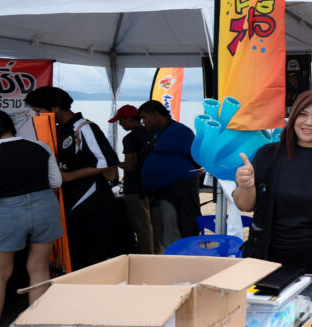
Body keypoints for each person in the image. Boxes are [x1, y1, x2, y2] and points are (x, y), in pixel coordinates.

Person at [234, 90, 312, 302]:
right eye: (303, 114)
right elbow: (245, 205)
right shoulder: (268, 154)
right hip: (268, 256)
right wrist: (245, 185)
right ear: (293, 117)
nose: (309, 122)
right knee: (268, 314)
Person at [0, 108, 63, 327]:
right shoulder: (40, 146)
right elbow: (56, 182)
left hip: (8, 211)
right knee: (38, 267)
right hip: (45, 206)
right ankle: (35, 324)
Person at [24, 86, 126, 270]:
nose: (38, 116)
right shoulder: (59, 130)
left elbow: (108, 161)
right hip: (70, 203)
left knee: (91, 257)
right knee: (75, 254)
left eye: (39, 111)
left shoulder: (84, 127)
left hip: (90, 202)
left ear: (55, 108)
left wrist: (69, 176)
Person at [138, 100, 200, 249]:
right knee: (165, 231)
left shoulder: (180, 131)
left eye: (144, 117)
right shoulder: (159, 132)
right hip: (162, 192)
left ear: (156, 114)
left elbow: (195, 158)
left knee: (175, 230)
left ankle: (179, 259)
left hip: (178, 190)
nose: (143, 122)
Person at [110, 105, 157, 254]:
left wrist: (114, 163)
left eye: (121, 121)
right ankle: (157, 254)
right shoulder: (154, 133)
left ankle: (145, 256)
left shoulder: (130, 138)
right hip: (154, 185)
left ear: (130, 119)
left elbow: (130, 166)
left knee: (141, 226)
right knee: (155, 224)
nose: (120, 124)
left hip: (135, 187)